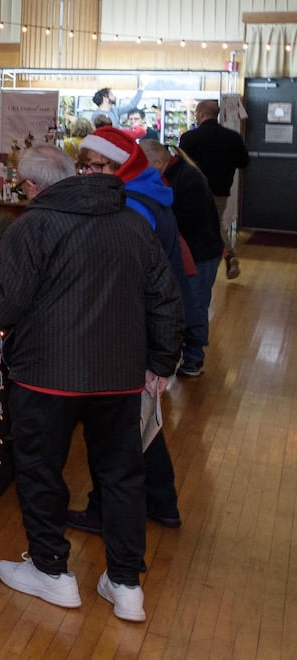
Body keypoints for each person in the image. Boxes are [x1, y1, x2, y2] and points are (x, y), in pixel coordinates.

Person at [0, 145, 181, 623]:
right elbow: (164, 297)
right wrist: (161, 363)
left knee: (42, 472)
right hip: (119, 377)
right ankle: (126, 585)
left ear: (35, 187)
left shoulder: (33, 226)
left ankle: (51, 572)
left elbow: (0, 306)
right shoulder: (132, 224)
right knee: (122, 478)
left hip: (47, 375)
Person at [66, 127, 189, 534]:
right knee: (138, 423)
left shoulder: (133, 205)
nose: (89, 174)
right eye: (83, 168)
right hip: (145, 324)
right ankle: (162, 501)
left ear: (119, 166)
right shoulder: (147, 193)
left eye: (96, 166)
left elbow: (123, 272)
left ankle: (107, 512)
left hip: (130, 326)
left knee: (114, 431)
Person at [141, 139, 222, 377]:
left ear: (157, 162)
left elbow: (188, 220)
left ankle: (194, 357)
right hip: (189, 251)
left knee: (194, 305)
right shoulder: (179, 174)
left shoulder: (188, 178)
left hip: (200, 253)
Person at [177, 99, 249, 279]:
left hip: (194, 191)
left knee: (206, 225)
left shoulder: (189, 138)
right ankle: (223, 257)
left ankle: (221, 257)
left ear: (200, 114)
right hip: (221, 190)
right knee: (216, 223)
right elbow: (244, 162)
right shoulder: (233, 137)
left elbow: (180, 165)